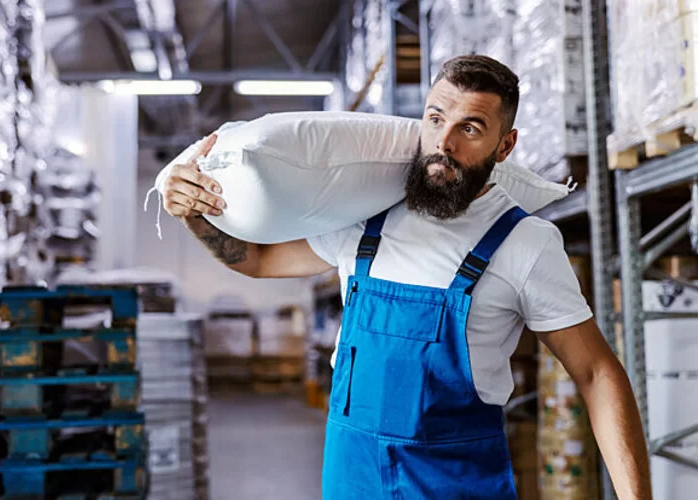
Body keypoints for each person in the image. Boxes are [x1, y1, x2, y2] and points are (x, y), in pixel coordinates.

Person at [160, 55, 652, 499]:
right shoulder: (365, 214)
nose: (444, 143)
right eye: (436, 119)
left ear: (505, 147)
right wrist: (194, 214)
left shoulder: (524, 242)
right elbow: (258, 261)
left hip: (454, 485)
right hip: (351, 483)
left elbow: (595, 373)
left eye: (471, 129)